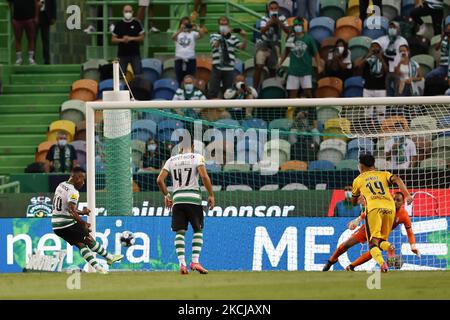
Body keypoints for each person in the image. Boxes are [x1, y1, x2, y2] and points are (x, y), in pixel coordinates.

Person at [157, 138, 215, 275]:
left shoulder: (171, 160)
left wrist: (167, 195)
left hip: (177, 200)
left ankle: (182, 264)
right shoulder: (197, 157)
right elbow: (204, 177)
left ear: (180, 147)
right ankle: (195, 261)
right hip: (193, 199)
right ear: (193, 146)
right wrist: (211, 194)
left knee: (180, 232)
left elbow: (159, 180)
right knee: (198, 230)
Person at [323, 192, 420, 271]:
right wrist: (357, 220)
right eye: (393, 199)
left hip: (382, 234)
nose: (394, 202)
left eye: (398, 200)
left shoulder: (403, 215)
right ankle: (330, 261)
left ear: (403, 202)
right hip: (368, 228)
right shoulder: (385, 205)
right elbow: (370, 210)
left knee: (373, 251)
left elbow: (409, 231)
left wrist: (413, 246)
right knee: (346, 245)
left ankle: (351, 266)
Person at [52, 167, 123, 274]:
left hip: (56, 226)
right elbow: (72, 211)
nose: (83, 182)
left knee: (81, 244)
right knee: (89, 239)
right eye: (82, 178)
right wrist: (83, 223)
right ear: (76, 177)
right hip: (66, 224)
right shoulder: (73, 192)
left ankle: (101, 268)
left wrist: (82, 213)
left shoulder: (61, 185)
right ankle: (109, 257)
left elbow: (66, 207)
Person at [349, 154, 412, 272]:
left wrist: (358, 198)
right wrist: (407, 195)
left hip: (374, 209)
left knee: (373, 243)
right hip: (390, 208)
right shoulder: (384, 174)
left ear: (361, 166)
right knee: (382, 240)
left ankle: (383, 264)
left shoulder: (358, 179)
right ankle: (389, 247)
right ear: (373, 164)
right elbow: (397, 179)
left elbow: (353, 202)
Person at [279, 17, 322, 99]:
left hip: (306, 71)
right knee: (292, 94)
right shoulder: (291, 38)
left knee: (308, 93)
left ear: (302, 26)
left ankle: (310, 111)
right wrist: (280, 63)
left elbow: (316, 53)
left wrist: (319, 65)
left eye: (299, 25)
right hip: (293, 71)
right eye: (295, 25)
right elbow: (286, 52)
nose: (297, 26)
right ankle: (291, 111)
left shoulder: (309, 38)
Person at [253, 1, 290, 90]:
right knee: (259, 66)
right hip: (263, 44)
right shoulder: (264, 18)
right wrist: (270, 23)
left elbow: (288, 31)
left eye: (275, 8)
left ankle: (270, 89)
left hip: (275, 45)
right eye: (271, 8)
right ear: (268, 9)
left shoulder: (282, 18)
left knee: (273, 69)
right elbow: (262, 31)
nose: (273, 10)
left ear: (278, 9)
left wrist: (278, 22)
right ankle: (254, 90)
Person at [208, 16, 247, 99]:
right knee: (213, 91)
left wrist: (245, 37)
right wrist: (223, 36)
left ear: (228, 25)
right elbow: (215, 45)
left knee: (228, 93)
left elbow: (241, 47)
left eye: (225, 24)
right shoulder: (213, 35)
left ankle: (227, 111)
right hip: (217, 67)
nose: (223, 25)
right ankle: (211, 111)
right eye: (221, 24)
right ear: (218, 24)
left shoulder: (233, 37)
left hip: (229, 68)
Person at [355, 39, 389, 126]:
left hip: (381, 89)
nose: (375, 48)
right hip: (368, 89)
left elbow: (386, 70)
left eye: (377, 46)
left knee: (381, 112)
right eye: (373, 46)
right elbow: (358, 66)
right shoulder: (366, 57)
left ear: (380, 48)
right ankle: (368, 127)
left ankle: (381, 128)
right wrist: (368, 55)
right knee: (367, 112)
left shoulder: (384, 58)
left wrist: (380, 57)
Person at [376, 21, 409, 96]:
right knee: (387, 93)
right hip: (385, 71)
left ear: (398, 29)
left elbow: (406, 56)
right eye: (390, 27)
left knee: (397, 93)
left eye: (394, 27)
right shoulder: (381, 40)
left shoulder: (403, 41)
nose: (392, 29)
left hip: (398, 70)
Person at [112, 5, 144, 76]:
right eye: (126, 11)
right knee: (120, 75)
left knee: (138, 74)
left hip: (135, 54)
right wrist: (122, 40)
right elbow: (113, 39)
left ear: (132, 12)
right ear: (123, 12)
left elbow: (141, 37)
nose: (128, 13)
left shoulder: (137, 23)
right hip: (122, 54)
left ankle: (137, 87)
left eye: (130, 11)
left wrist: (131, 38)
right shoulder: (119, 24)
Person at [172, 16, 206, 85]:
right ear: (180, 24)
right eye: (184, 23)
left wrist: (197, 27)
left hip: (191, 59)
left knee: (190, 78)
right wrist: (180, 30)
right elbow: (172, 37)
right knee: (179, 78)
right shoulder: (178, 33)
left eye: (187, 24)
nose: (185, 25)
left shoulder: (193, 33)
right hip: (179, 59)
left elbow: (202, 35)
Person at [8, 0, 39, 65]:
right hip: (17, 19)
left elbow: (36, 3)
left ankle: (31, 59)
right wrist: (12, 18)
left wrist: (36, 17)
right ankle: (19, 59)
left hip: (29, 18)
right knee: (18, 39)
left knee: (31, 39)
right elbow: (9, 3)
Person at [425, 20, 450, 93]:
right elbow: (436, 48)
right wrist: (442, 38)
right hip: (442, 66)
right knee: (429, 77)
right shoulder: (444, 38)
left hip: (449, 66)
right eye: (447, 29)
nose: (448, 31)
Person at [36, 0, 56, 65]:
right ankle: (32, 59)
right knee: (33, 39)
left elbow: (53, 3)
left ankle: (47, 60)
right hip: (35, 15)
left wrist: (53, 17)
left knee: (45, 39)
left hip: (46, 16)